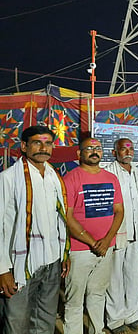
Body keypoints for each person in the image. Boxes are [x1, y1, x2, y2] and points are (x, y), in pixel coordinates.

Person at [0, 125, 69, 334]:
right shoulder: (8, 178)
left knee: (45, 319)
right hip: (19, 265)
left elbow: (60, 219)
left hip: (51, 261)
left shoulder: (54, 176)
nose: (43, 148)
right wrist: (2, 270)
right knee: (17, 322)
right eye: (37, 142)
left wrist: (63, 253)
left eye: (48, 143)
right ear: (24, 146)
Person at [63, 137, 124, 334]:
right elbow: (68, 216)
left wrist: (106, 241)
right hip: (80, 250)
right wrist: (92, 242)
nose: (94, 151)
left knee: (98, 294)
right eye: (89, 148)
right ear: (79, 154)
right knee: (74, 300)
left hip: (105, 248)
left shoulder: (111, 178)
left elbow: (119, 211)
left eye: (98, 148)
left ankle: (97, 330)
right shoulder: (71, 178)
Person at [104, 138, 138, 333]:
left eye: (130, 148)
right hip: (116, 233)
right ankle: (115, 320)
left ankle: (132, 315)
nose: (128, 152)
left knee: (133, 274)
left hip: (136, 232)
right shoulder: (108, 173)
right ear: (115, 152)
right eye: (123, 149)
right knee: (114, 277)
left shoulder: (136, 172)